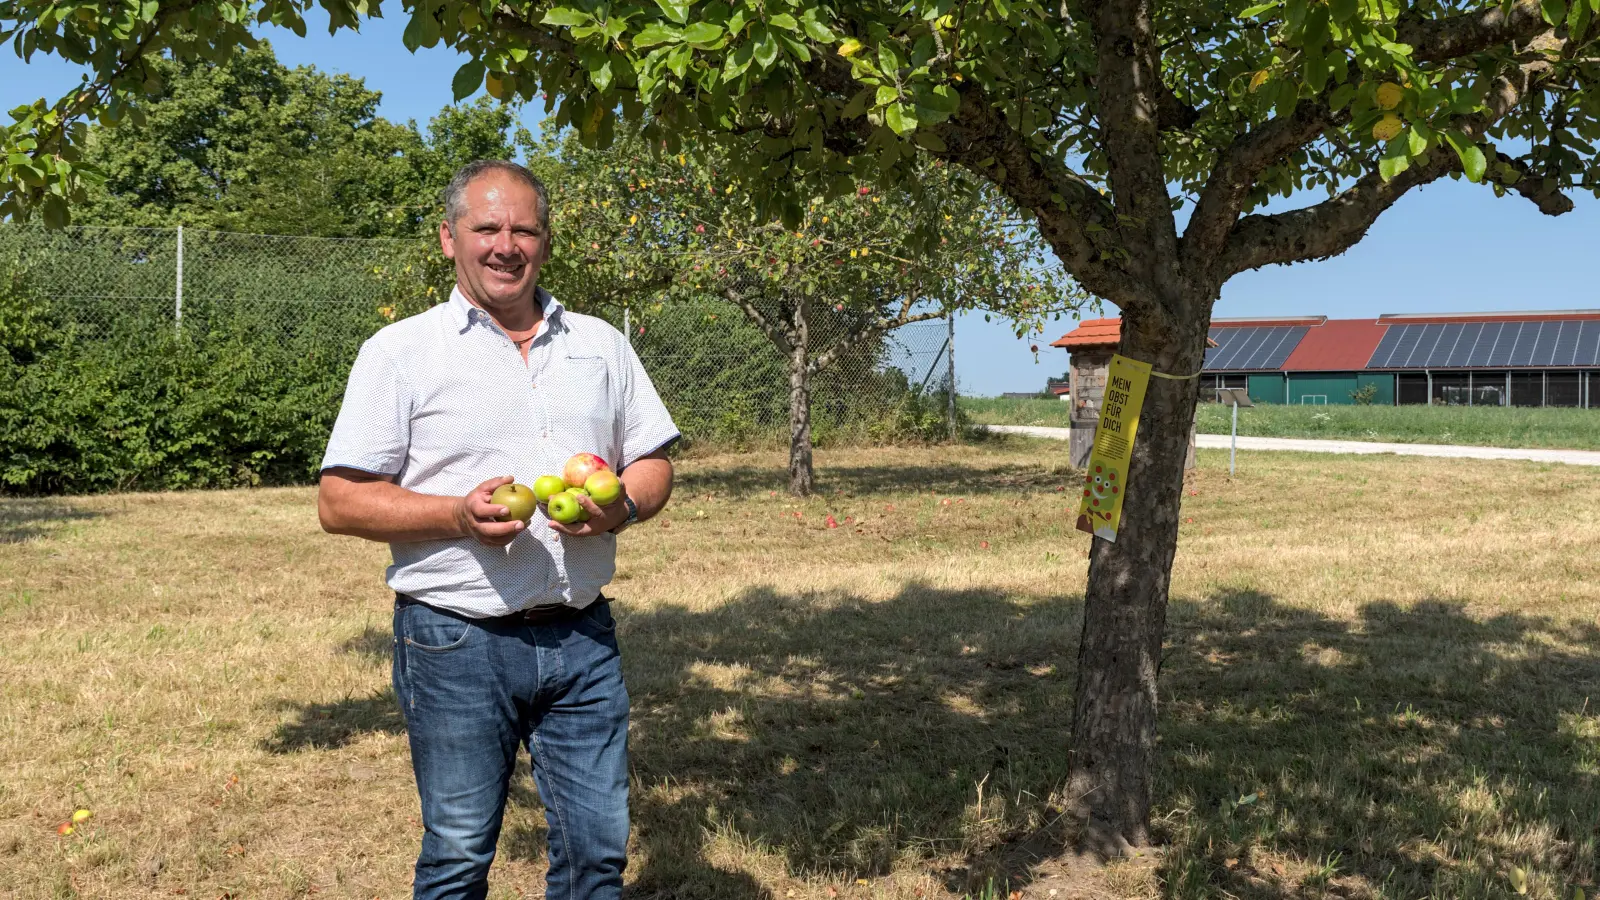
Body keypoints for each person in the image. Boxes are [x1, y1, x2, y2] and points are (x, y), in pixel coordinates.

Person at [317, 159, 679, 900]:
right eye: (486, 228)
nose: (505, 244)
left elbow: (652, 461)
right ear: (449, 239)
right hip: (455, 639)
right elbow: (340, 501)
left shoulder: (601, 344)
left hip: (582, 634)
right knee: (457, 857)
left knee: (596, 855)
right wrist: (455, 514)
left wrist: (624, 506)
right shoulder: (401, 352)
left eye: (523, 229)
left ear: (545, 242)